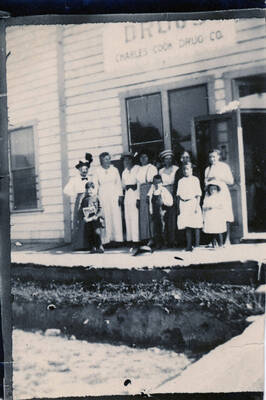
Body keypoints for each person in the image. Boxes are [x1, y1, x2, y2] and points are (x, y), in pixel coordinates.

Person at [64, 153, 95, 250]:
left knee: (89, 220)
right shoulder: (74, 179)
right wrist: (77, 195)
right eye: (82, 169)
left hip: (89, 199)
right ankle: (80, 244)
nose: (84, 171)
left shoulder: (91, 178)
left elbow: (95, 188)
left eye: (86, 169)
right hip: (80, 200)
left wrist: (92, 196)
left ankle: (90, 244)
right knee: (80, 220)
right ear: (79, 170)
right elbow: (66, 190)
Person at [204, 149, 234, 244]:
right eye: (210, 157)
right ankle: (215, 239)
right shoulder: (207, 169)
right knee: (213, 215)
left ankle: (227, 239)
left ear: (218, 157)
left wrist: (218, 178)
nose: (212, 159)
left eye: (214, 156)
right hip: (211, 194)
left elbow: (231, 181)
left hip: (222, 193)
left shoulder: (224, 167)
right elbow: (205, 182)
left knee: (225, 214)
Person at [95, 152, 123, 245]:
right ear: (101, 160)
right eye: (106, 159)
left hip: (114, 193)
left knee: (115, 215)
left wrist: (120, 195)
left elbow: (118, 183)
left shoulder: (114, 170)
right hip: (103, 195)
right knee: (105, 215)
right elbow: (95, 185)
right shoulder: (97, 171)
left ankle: (117, 239)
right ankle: (106, 240)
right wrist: (95, 197)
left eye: (109, 158)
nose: (108, 161)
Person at [176, 162, 203, 252]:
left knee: (196, 225)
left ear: (191, 170)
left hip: (193, 203)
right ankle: (188, 246)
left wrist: (196, 206)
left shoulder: (195, 180)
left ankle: (197, 245)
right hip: (183, 204)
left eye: (188, 169)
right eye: (184, 169)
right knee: (187, 225)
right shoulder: (181, 181)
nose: (186, 171)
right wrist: (179, 207)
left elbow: (198, 194)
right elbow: (178, 195)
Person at [135, 150, 157, 242]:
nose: (143, 159)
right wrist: (138, 198)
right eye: (141, 157)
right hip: (141, 192)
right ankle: (145, 238)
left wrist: (150, 194)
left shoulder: (152, 168)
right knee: (143, 216)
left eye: (145, 157)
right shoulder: (138, 169)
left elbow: (155, 182)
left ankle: (153, 238)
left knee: (151, 214)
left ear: (148, 158)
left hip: (150, 190)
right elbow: (138, 184)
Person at [159, 149, 179, 247]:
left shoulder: (176, 169)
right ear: (163, 160)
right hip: (164, 193)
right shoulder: (161, 171)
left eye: (170, 159)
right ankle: (166, 240)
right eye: (166, 159)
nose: (168, 161)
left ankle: (174, 239)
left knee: (173, 217)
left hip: (173, 192)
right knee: (165, 218)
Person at [147, 174, 173, 249]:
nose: (157, 185)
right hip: (155, 213)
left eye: (159, 183)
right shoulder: (152, 191)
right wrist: (151, 212)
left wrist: (163, 202)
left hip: (162, 213)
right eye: (155, 183)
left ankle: (166, 243)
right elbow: (150, 204)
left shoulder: (164, 191)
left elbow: (170, 202)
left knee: (163, 228)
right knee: (156, 229)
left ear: (161, 183)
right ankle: (158, 243)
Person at [80, 181, 105, 253]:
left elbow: (100, 208)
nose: (89, 191)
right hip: (88, 220)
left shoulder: (97, 198)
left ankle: (100, 246)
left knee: (97, 233)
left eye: (91, 189)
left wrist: (97, 216)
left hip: (95, 219)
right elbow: (81, 209)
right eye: (87, 189)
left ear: (94, 189)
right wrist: (83, 217)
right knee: (89, 233)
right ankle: (92, 247)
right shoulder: (84, 199)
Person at [121, 152, 140, 245]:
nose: (127, 162)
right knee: (128, 216)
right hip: (128, 195)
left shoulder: (137, 169)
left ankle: (137, 239)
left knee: (135, 217)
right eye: (125, 160)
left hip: (135, 193)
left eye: (129, 159)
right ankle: (131, 239)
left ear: (132, 160)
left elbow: (139, 184)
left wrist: (138, 198)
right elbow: (123, 186)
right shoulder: (124, 172)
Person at [202, 180, 227, 248]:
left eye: (214, 189)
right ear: (209, 190)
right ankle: (213, 244)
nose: (213, 190)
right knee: (212, 231)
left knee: (218, 230)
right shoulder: (207, 198)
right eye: (211, 189)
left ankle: (221, 244)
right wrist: (207, 207)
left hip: (217, 215)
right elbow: (204, 206)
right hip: (210, 216)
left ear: (217, 190)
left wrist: (214, 207)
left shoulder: (219, 197)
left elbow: (222, 206)